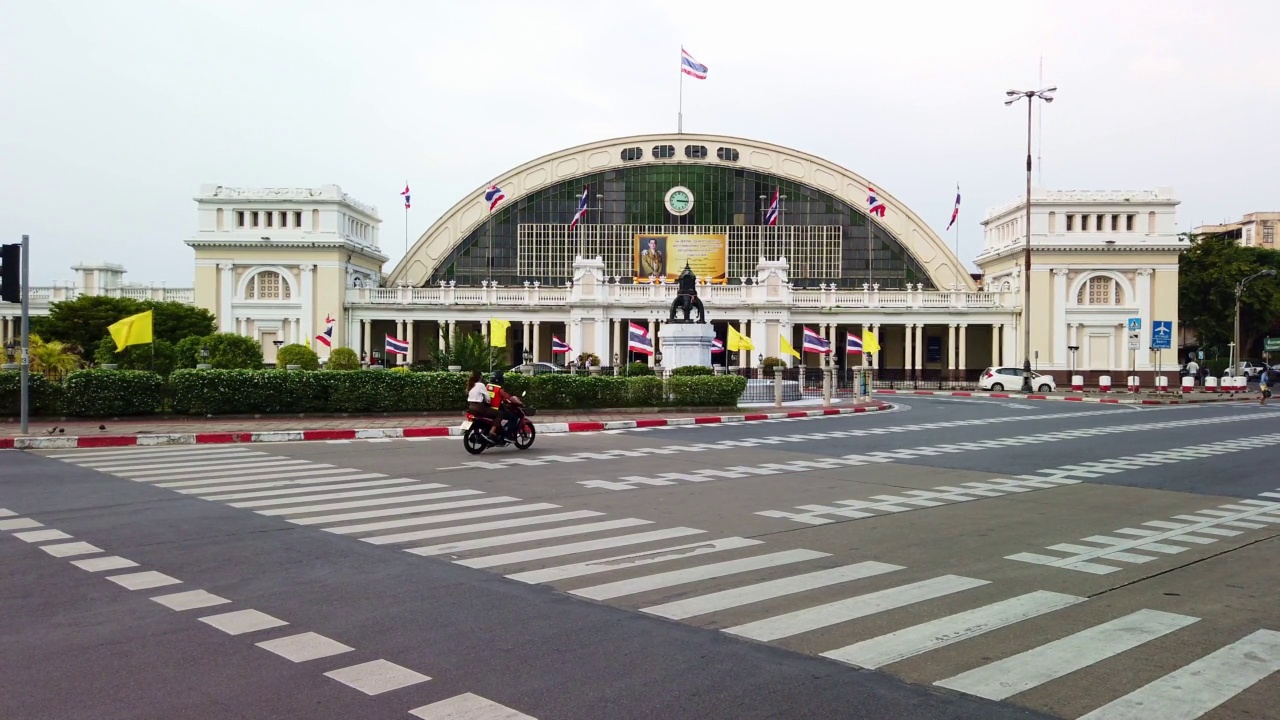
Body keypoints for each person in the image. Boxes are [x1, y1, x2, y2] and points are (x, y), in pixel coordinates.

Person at [466, 370, 500, 440]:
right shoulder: (480, 385)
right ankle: (491, 432)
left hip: (470, 408)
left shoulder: (471, 385)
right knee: (499, 414)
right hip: (479, 408)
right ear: (480, 377)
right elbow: (487, 398)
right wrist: (488, 402)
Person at [487, 370, 520, 440]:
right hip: (496, 410)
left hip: (488, 409)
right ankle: (507, 435)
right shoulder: (499, 389)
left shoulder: (487, 386)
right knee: (514, 418)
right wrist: (518, 401)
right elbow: (508, 398)